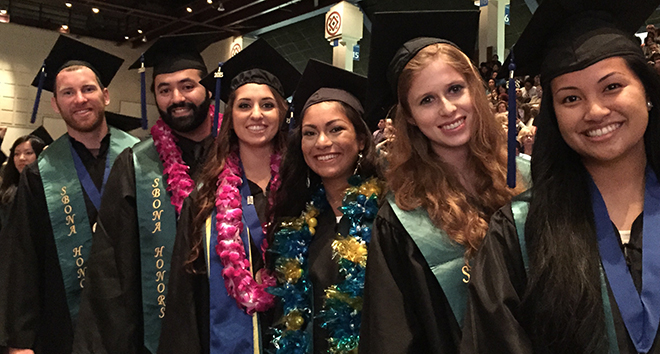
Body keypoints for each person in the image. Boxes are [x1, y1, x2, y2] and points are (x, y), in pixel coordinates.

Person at [461, 0, 660, 353]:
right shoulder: (521, 232)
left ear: (646, 93)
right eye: (571, 98)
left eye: (612, 87)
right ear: (553, 114)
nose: (595, 111)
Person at [358, 10, 529, 354]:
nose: (448, 108)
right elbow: (392, 337)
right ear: (409, 115)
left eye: (455, 89)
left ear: (474, 90)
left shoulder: (528, 177)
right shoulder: (402, 218)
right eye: (427, 100)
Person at [71, 33, 221, 354]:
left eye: (187, 86)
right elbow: (110, 264)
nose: (176, 97)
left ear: (208, 88)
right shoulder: (137, 164)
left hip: (228, 319)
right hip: (164, 329)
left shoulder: (240, 156)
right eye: (164, 90)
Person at [157, 38, 300, 354]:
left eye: (267, 104)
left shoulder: (301, 190)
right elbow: (185, 297)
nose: (256, 115)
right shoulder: (205, 198)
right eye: (244, 105)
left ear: (282, 113)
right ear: (230, 117)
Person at [0, 35, 139, 354]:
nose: (80, 99)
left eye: (88, 89)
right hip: (64, 325)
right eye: (68, 92)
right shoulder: (40, 174)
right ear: (55, 102)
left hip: (135, 320)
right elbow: (22, 258)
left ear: (105, 95)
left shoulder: (140, 159)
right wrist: (20, 341)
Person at [265, 59, 383, 354]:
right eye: (309, 132)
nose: (322, 142)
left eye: (336, 129)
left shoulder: (388, 214)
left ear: (360, 140)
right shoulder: (298, 223)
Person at [0, 132, 48, 230]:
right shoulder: (7, 187)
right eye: (16, 154)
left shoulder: (49, 188)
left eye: (28, 153)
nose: (21, 158)